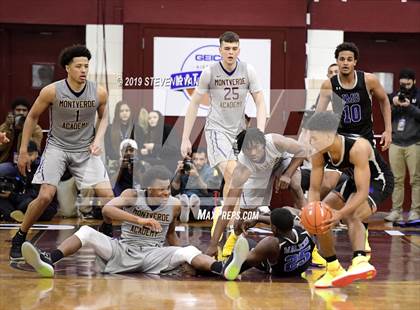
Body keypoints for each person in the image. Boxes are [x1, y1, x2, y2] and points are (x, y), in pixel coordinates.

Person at [21, 166, 237, 280]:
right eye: (160, 188)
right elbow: (107, 209)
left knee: (188, 250)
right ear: (147, 188)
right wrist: (139, 219)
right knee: (86, 231)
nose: (164, 192)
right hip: (123, 250)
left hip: (153, 255)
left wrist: (185, 257)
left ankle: (223, 268)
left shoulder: (173, 204)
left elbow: (171, 235)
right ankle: (50, 260)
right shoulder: (133, 194)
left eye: (167, 188)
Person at [9, 45, 114, 261]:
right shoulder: (52, 91)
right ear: (67, 68)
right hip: (58, 147)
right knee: (46, 195)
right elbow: (31, 117)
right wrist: (22, 150)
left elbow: (104, 117)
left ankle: (107, 233)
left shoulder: (99, 91)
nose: (84, 70)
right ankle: (20, 236)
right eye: (78, 66)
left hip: (85, 149)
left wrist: (98, 140)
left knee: (108, 198)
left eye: (86, 66)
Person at [306, 111, 394, 288]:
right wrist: (311, 212)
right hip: (354, 180)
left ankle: (360, 261)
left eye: (315, 138)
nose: (311, 142)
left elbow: (362, 192)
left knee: (352, 214)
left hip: (377, 181)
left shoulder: (357, 147)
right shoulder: (318, 152)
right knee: (321, 214)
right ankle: (333, 269)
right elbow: (314, 189)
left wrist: (340, 213)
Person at [180, 31, 267, 207]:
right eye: (227, 48)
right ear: (220, 50)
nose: (230, 52)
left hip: (239, 132)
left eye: (234, 48)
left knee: (235, 180)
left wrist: (260, 132)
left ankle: (225, 221)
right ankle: (232, 224)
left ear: (239, 51)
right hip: (216, 130)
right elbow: (194, 104)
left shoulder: (248, 71)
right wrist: (185, 137)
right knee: (233, 174)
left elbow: (260, 100)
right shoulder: (209, 72)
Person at [206, 128, 306, 257]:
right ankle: (233, 238)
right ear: (242, 151)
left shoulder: (275, 141)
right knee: (245, 216)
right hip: (257, 173)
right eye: (248, 149)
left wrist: (287, 174)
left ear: (263, 143)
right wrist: (213, 245)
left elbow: (303, 150)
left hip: (281, 161)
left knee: (295, 185)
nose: (253, 152)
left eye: (256, 147)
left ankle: (309, 232)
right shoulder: (242, 169)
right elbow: (228, 208)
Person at [316, 42, 392, 195]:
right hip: (341, 139)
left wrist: (388, 130)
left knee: (361, 183)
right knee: (326, 184)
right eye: (342, 59)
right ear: (337, 61)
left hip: (364, 139)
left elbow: (384, 100)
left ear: (355, 62)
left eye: (349, 59)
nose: (345, 62)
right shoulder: (329, 85)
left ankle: (355, 215)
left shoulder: (368, 80)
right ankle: (318, 215)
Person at [222, 208, 314, 280]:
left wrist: (246, 257)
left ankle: (223, 266)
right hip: (299, 269)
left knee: (248, 243)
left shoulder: (272, 243)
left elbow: (250, 261)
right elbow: (289, 217)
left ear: (274, 228)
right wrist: (258, 218)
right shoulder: (305, 230)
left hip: (277, 270)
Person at [385, 68, 420, 222]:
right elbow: (386, 116)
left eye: (408, 84)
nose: (405, 87)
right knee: (396, 179)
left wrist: (409, 106)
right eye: (402, 84)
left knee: (416, 179)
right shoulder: (395, 96)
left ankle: (415, 211)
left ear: (414, 82)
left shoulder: (418, 96)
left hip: (414, 142)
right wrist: (392, 105)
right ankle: (396, 211)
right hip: (396, 142)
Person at [0, 141, 57, 222]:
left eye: (30, 155)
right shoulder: (16, 168)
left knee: (28, 203)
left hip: (43, 205)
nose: (26, 158)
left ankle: (10, 215)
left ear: (37, 154)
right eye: (23, 155)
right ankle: (13, 214)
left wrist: (12, 195)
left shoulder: (43, 169)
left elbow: (37, 196)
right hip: (20, 200)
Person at [171, 147, 221, 222]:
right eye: (195, 159)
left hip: (202, 199)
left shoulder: (211, 171)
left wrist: (197, 176)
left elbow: (208, 192)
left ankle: (193, 209)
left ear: (206, 160)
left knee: (207, 201)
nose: (198, 162)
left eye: (201, 159)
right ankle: (185, 207)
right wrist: (178, 174)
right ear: (191, 159)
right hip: (185, 198)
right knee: (176, 200)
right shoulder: (186, 167)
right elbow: (174, 190)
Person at [0, 98, 43, 177]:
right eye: (18, 110)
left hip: (27, 164)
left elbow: (35, 149)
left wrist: (25, 128)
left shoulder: (36, 128)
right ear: (13, 112)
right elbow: (1, 147)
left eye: (24, 110)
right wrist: (7, 126)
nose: (21, 112)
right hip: (10, 163)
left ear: (28, 112)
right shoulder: (6, 125)